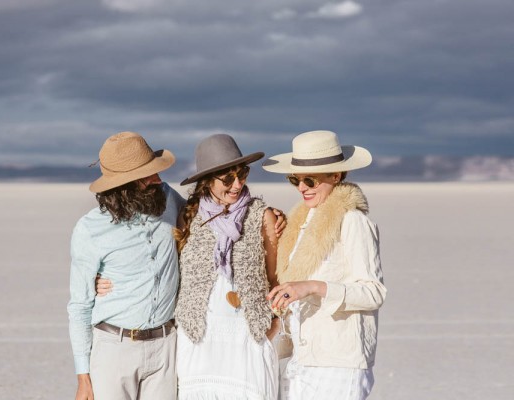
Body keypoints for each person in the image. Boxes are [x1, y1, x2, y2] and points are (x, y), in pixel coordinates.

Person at [264, 130, 387, 400]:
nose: (301, 187)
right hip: (303, 359)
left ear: (336, 175)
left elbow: (373, 292)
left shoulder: (353, 222)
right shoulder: (301, 225)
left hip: (339, 362)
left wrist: (313, 287)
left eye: (310, 180)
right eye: (294, 179)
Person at [67, 131, 186, 400]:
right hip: (113, 351)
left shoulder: (167, 197)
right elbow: (79, 306)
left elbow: (202, 223)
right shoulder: (90, 230)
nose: (158, 179)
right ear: (124, 185)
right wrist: (83, 376)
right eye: (148, 176)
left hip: (167, 346)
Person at [173, 134, 281, 399]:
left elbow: (275, 277)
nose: (237, 184)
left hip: (246, 339)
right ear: (207, 181)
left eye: (242, 174)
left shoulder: (262, 216)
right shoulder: (189, 217)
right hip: (199, 338)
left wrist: (274, 324)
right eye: (228, 179)